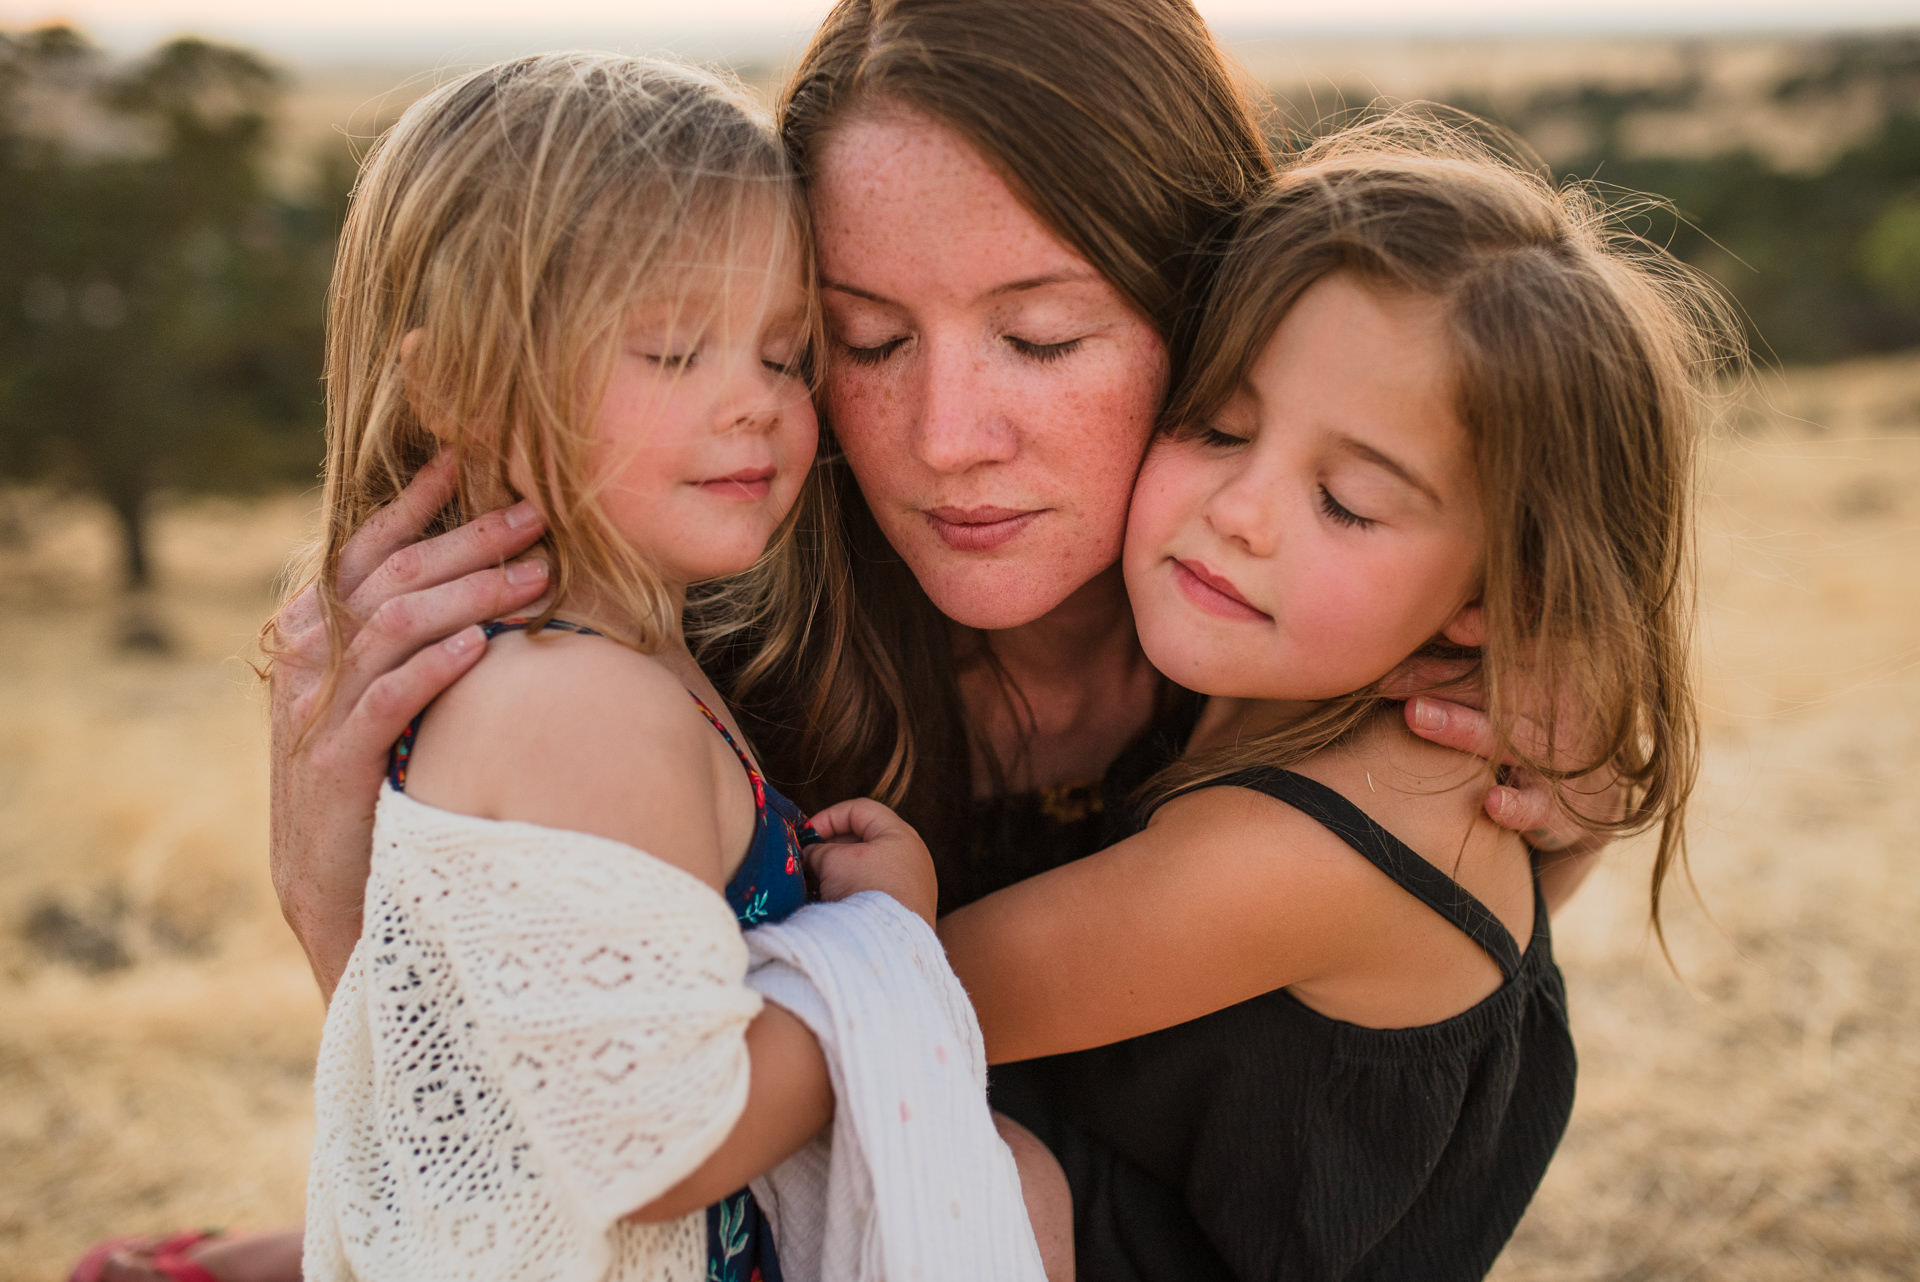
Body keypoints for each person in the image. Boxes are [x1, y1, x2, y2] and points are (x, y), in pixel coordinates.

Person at [79, 2, 1619, 1279]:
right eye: (860, 341)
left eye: (1042, 336)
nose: (947, 437)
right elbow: (582, 1114)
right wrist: (344, 892)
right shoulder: (710, 669)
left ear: (1219, 301)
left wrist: (1578, 794)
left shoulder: (1361, 637)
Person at [255, 50, 1048, 1282]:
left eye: (787, 354)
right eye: (676, 351)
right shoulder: (578, 707)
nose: (755, 403)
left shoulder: (607, 671)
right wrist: (889, 937)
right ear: (458, 384)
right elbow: (668, 1141)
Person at [934, 121, 1727, 1279]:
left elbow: (908, 1003)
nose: (1242, 510)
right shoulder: (1350, 723)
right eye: (1219, 425)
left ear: (1494, 595)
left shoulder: (1311, 843)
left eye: (1347, 501)